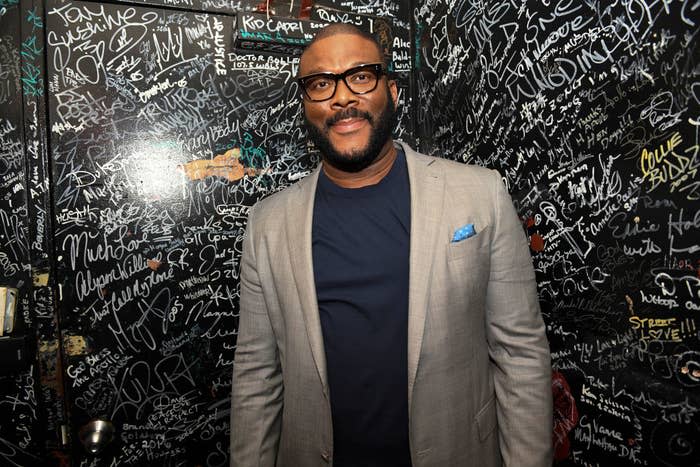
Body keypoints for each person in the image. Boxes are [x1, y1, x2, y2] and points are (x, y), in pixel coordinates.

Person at [230, 23, 552, 467]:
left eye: (360, 75)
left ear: (393, 91)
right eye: (321, 84)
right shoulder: (266, 225)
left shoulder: (481, 194)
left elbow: (520, 352)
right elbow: (255, 376)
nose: (342, 97)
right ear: (306, 106)